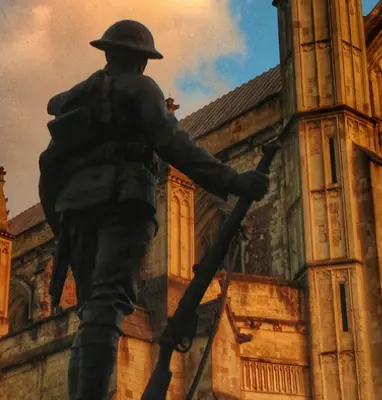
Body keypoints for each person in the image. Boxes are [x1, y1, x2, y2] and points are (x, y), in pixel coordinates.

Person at [39, 20, 270, 400]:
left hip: (76, 211)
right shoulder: (138, 87)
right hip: (123, 202)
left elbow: (49, 167)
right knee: (108, 302)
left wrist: (61, 222)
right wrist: (232, 181)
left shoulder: (78, 100)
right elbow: (172, 143)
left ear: (108, 52)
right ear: (141, 59)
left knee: (90, 310)